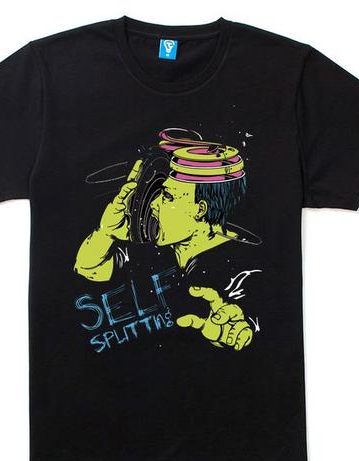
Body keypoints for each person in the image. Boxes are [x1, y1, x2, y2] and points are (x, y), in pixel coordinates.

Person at [74, 129, 263, 351]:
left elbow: (254, 313)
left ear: (200, 209)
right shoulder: (155, 250)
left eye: (168, 196)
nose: (154, 204)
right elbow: (88, 268)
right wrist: (106, 232)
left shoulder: (243, 267)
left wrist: (238, 329)